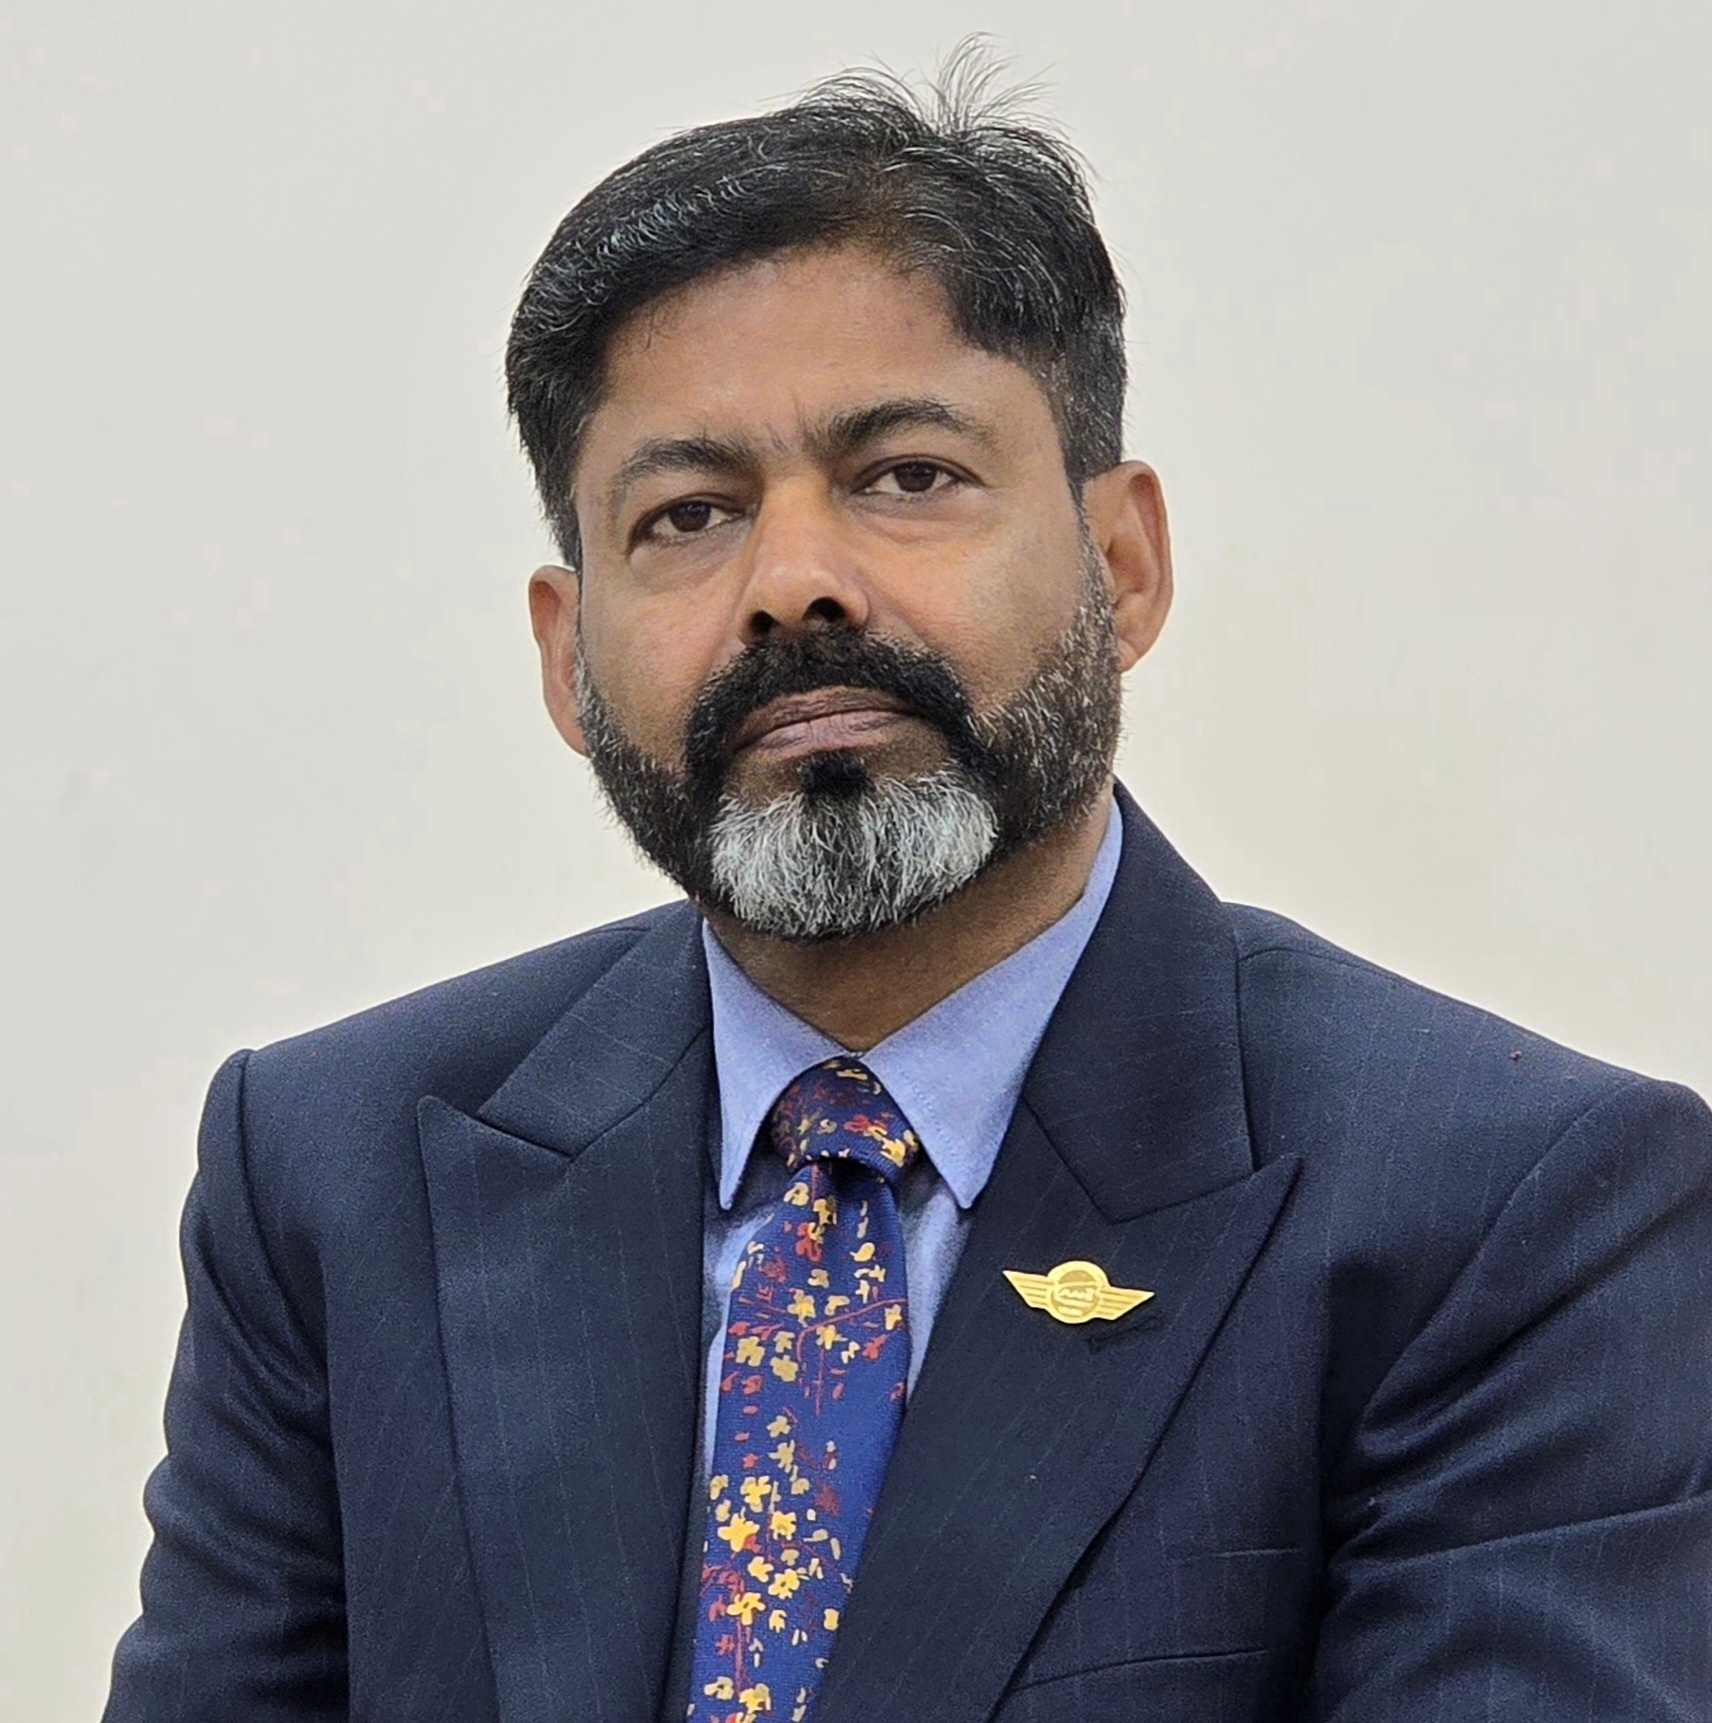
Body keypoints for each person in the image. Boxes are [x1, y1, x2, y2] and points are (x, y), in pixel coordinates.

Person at [104, 62, 1712, 1723]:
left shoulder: (1513, 1212)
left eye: (907, 477)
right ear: (568, 658)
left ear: (1124, 565)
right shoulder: (336, 1176)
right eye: (687, 514)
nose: (795, 583)